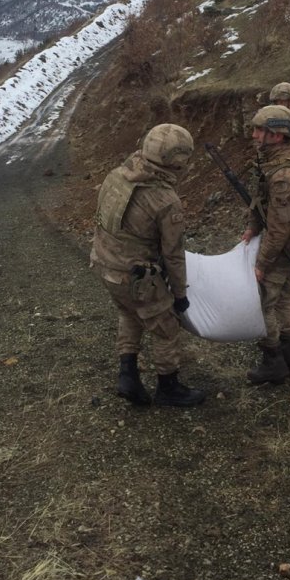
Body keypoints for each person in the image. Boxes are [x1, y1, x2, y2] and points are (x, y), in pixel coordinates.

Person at [90, 123, 206, 407]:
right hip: (137, 278)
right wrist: (179, 296)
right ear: (177, 160)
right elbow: (174, 255)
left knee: (130, 314)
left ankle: (127, 375)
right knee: (166, 327)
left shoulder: (116, 175)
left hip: (105, 266)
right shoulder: (166, 201)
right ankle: (168, 387)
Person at [241, 106, 290, 384]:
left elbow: (278, 229)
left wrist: (261, 265)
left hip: (287, 245)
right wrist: (253, 226)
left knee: (262, 300)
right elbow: (262, 201)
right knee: (285, 293)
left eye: (259, 130)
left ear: (277, 135)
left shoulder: (285, 177)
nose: (254, 135)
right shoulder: (287, 159)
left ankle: (273, 361)